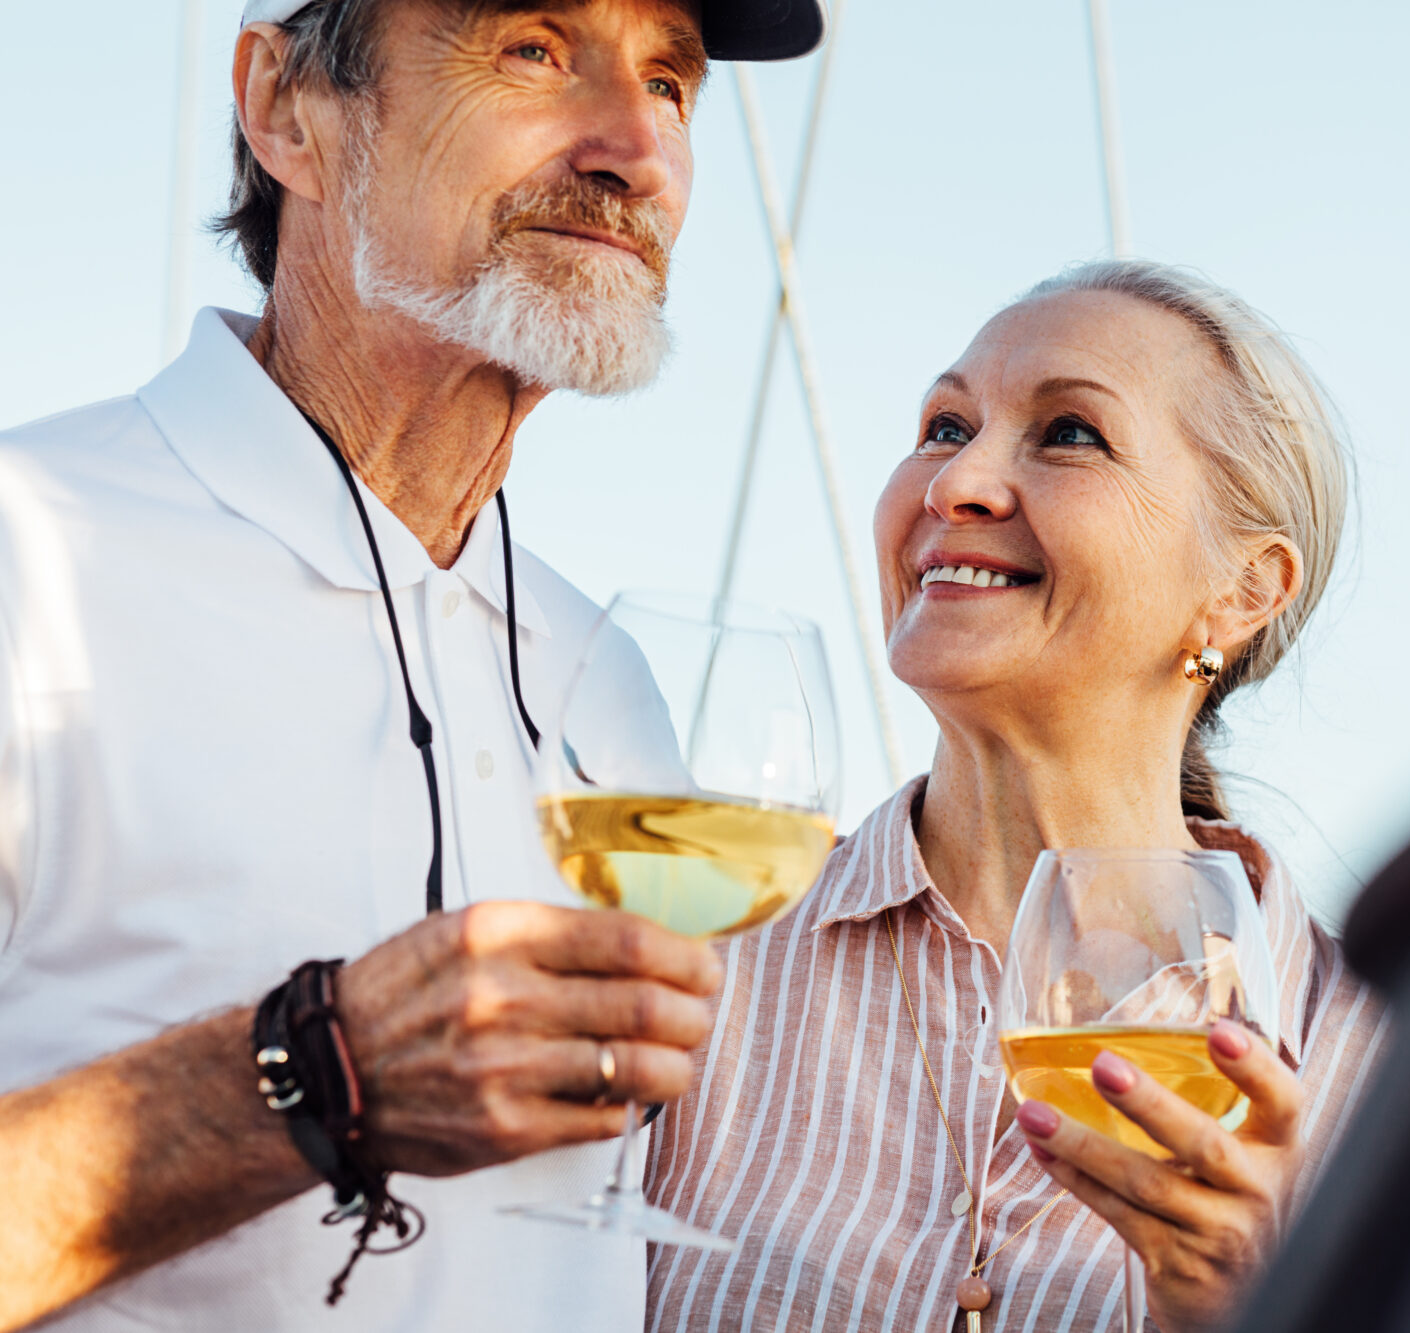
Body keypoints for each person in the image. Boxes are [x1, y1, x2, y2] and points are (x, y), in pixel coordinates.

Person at [0, 1, 823, 1329]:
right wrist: (311, 1077)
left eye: (671, 82)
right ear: (288, 110)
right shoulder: (25, 556)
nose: (635, 151)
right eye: (533, 50)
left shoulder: (609, 677)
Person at [644, 260, 1390, 1332]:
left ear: (1241, 592)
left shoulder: (1392, 1072)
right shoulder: (695, 953)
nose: (956, 482)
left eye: (1069, 434)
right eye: (945, 427)